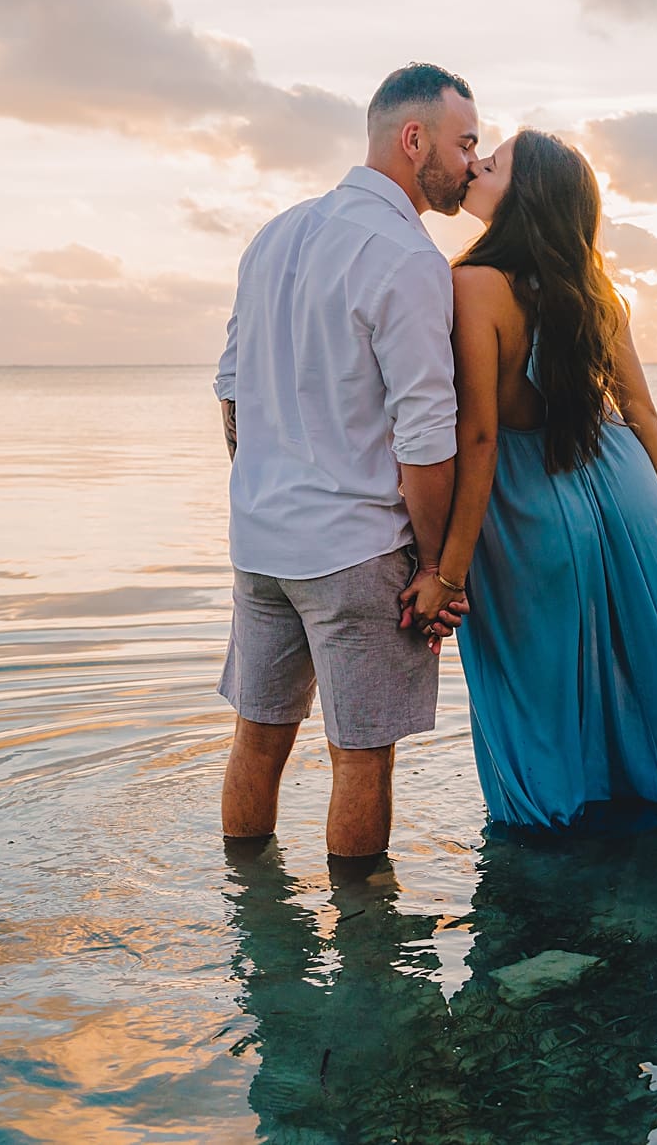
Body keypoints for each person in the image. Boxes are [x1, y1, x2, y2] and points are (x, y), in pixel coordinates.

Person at [422, 129, 657, 833]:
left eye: (491, 165)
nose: (474, 168)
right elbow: (642, 410)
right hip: (626, 488)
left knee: (536, 691)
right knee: (646, 676)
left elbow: (481, 434)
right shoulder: (595, 291)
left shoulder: (472, 284)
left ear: (524, 195)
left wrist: (451, 571)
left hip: (529, 498)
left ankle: (548, 863)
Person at [214, 63, 478, 858]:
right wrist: (438, 570)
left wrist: (262, 484)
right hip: (358, 552)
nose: (472, 160)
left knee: (258, 739)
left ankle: (254, 939)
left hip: (260, 545)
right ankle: (368, 962)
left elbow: (230, 394)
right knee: (361, 758)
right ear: (413, 138)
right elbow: (426, 439)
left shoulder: (274, 236)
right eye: (465, 142)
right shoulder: (408, 256)